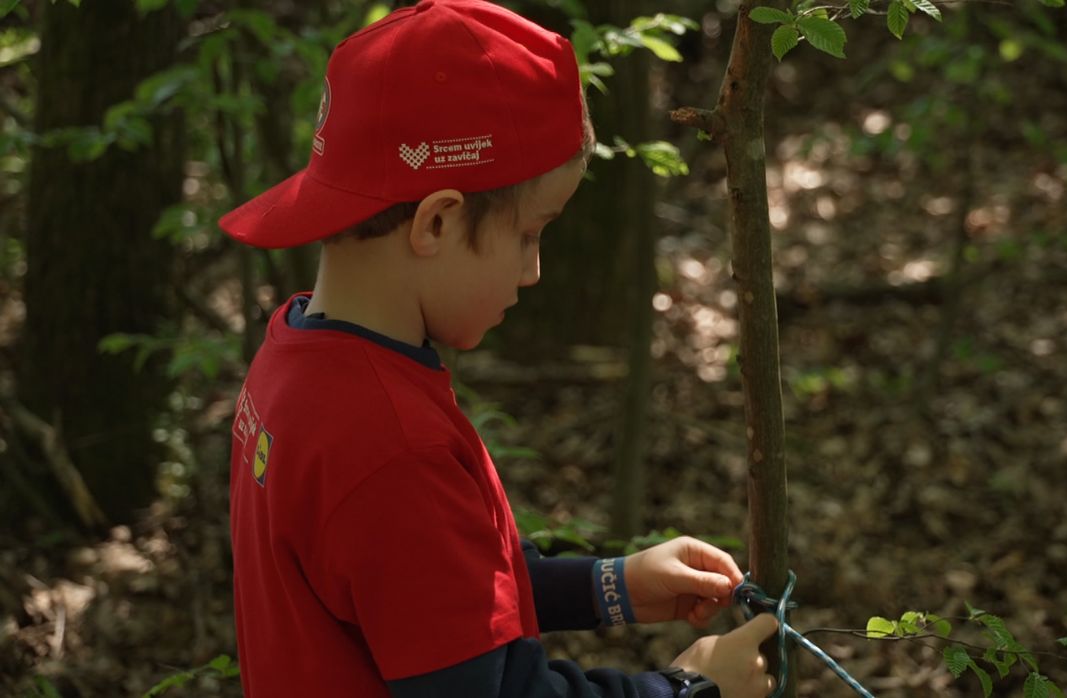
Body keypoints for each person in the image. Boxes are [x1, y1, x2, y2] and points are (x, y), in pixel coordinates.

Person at [219, 2, 779, 696]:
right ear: (438, 220)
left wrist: (611, 586)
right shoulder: (393, 447)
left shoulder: (298, 361)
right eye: (529, 232)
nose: (532, 270)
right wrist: (688, 690)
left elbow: (434, 597)